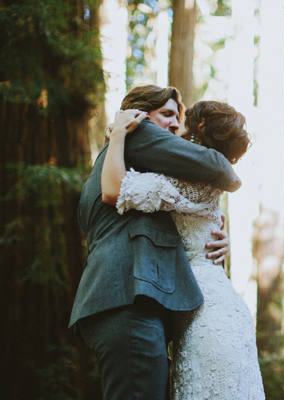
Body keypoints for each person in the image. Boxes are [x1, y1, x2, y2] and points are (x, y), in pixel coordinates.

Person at [69, 85, 240, 400]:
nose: (176, 125)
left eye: (178, 117)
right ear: (137, 114)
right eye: (167, 115)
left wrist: (212, 237)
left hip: (122, 300)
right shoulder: (138, 132)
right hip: (129, 299)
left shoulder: (116, 160)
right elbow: (218, 167)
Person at [102, 100, 265, 399]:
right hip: (215, 306)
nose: (179, 124)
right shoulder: (205, 180)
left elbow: (114, 189)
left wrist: (116, 136)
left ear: (201, 126)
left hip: (206, 314)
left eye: (187, 119)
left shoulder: (183, 182)